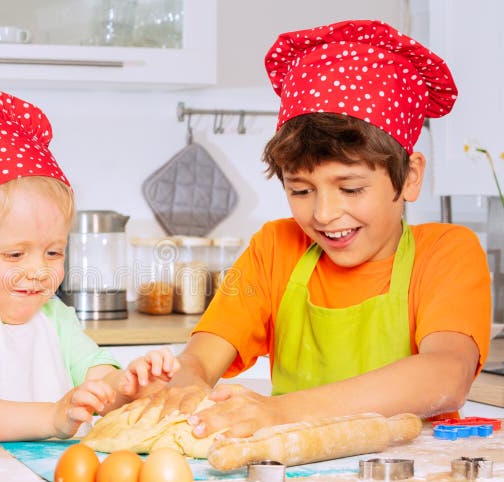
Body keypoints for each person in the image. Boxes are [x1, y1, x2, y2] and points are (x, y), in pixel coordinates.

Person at [134, 20, 492, 440]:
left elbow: (446, 376)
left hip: (415, 471)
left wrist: (281, 412)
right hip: (291, 473)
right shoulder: (276, 248)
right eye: (300, 190)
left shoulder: (446, 252)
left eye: (351, 188)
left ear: (409, 177)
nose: (324, 213)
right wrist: (184, 380)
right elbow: (200, 358)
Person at [0, 89, 178, 443]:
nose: (39, 271)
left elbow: (101, 383)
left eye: (53, 253)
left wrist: (132, 384)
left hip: (58, 478)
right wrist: (53, 417)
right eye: (15, 255)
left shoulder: (56, 320)